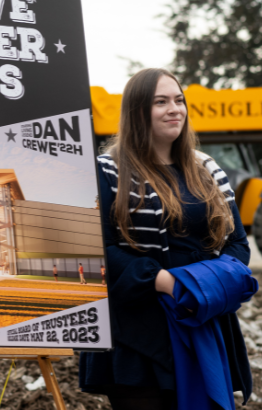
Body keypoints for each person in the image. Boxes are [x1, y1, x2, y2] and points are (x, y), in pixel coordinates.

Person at [79, 68, 253, 409]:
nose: (175, 109)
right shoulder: (107, 170)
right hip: (137, 333)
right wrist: (164, 281)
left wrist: (208, 285)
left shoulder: (206, 168)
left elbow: (238, 243)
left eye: (179, 100)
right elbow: (97, 248)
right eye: (161, 102)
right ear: (137, 111)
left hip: (201, 316)